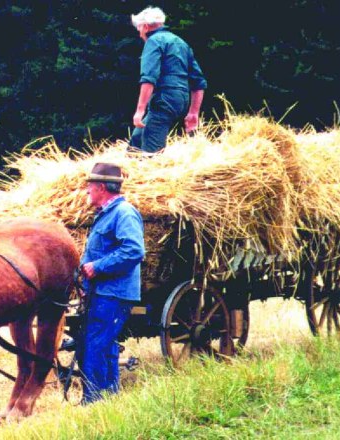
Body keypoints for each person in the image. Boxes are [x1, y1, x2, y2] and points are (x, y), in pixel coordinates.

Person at [78, 163, 145, 404]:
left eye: (90, 187)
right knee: (103, 345)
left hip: (115, 293)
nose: (87, 192)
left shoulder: (124, 213)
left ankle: (93, 401)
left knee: (96, 345)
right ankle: (108, 396)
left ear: (101, 188)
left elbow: (134, 250)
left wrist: (98, 266)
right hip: (102, 291)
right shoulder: (106, 214)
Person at [129, 6, 207, 153]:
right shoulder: (181, 43)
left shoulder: (153, 41)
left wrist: (140, 111)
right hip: (182, 100)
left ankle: (151, 167)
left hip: (164, 99)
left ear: (145, 27)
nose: (139, 34)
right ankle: (128, 166)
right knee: (137, 139)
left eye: (139, 28)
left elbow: (148, 78)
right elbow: (199, 82)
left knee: (151, 151)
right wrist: (193, 113)